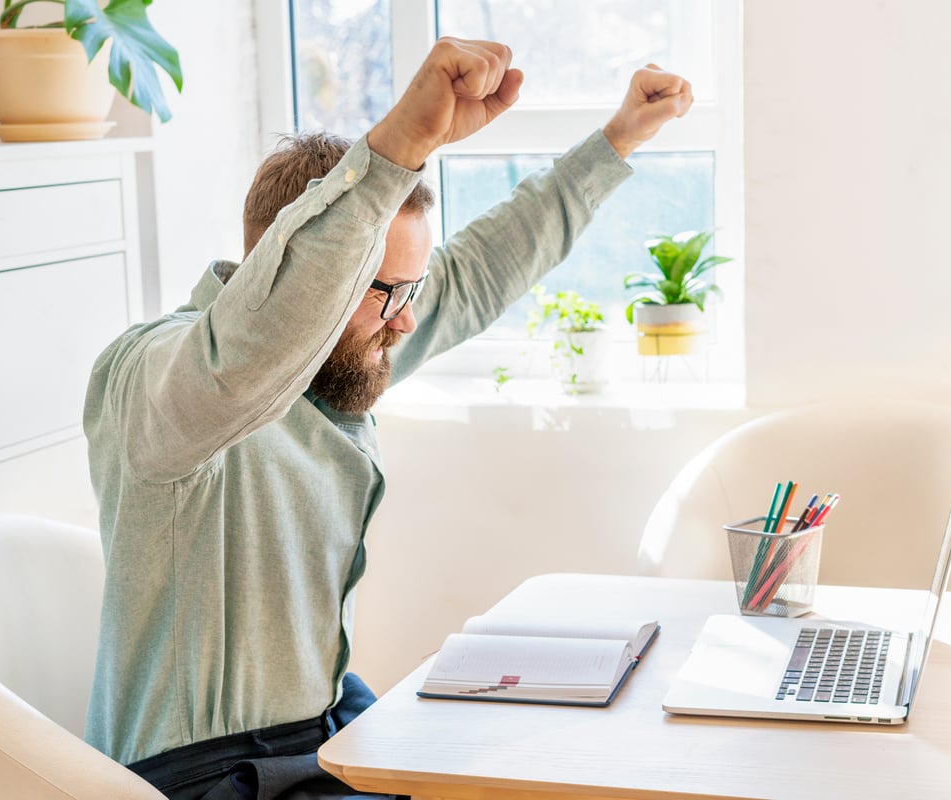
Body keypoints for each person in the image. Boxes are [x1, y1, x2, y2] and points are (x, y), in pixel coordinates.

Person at [82, 37, 693, 799]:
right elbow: (252, 350)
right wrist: (400, 143)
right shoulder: (159, 379)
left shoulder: (344, 351)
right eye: (385, 292)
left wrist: (618, 138)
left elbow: (479, 271)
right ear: (306, 266)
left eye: (412, 290)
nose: (406, 323)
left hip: (321, 729)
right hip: (203, 775)